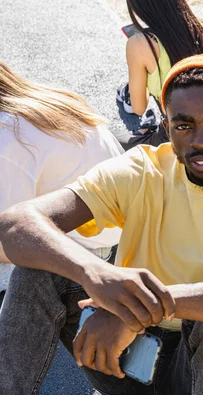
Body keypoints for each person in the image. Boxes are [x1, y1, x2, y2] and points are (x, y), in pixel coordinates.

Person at [0, 53, 203, 395]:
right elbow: (15, 224)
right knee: (37, 271)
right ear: (167, 127)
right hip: (118, 355)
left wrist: (138, 311)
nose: (200, 140)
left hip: (201, 373)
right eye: (184, 125)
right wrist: (96, 275)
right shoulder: (143, 170)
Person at [0, 61, 123, 266]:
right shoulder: (38, 100)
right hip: (121, 231)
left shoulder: (8, 140)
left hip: (91, 256)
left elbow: (10, 241)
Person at [116, 0, 203, 149]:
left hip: (176, 139)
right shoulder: (200, 28)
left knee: (108, 141)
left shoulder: (140, 43)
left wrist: (146, 78)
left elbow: (139, 108)